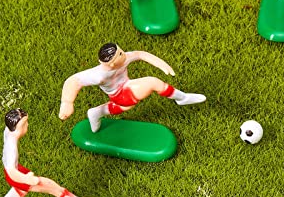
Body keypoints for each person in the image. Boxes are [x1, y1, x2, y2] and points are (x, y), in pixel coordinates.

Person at [59, 43, 206, 133]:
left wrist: (160, 63)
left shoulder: (124, 58)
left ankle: (96, 112)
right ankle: (183, 98)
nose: (125, 54)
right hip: (119, 94)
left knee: (125, 107)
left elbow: (140, 54)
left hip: (126, 88)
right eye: (120, 54)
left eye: (121, 51)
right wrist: (67, 102)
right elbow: (73, 81)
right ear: (111, 63)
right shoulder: (98, 75)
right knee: (152, 82)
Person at [0, 108, 102, 197]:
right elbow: (11, 171)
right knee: (50, 186)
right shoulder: (12, 147)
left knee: (19, 192)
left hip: (17, 171)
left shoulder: (8, 131)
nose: (27, 125)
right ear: (17, 128)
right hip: (16, 176)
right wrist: (27, 179)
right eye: (25, 124)